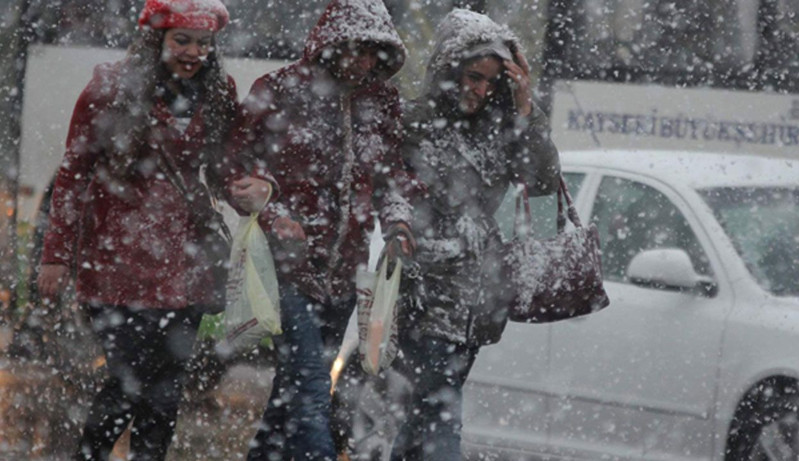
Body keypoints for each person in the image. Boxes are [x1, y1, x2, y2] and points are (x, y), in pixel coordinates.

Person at [37, 1, 274, 459]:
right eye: (181, 40)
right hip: (113, 262)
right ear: (155, 40)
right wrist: (55, 255)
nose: (193, 52)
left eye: (204, 43)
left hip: (184, 266)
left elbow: (222, 166)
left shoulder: (218, 90)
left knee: (164, 392)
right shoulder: (110, 88)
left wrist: (249, 191)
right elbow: (73, 173)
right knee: (129, 381)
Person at [232, 0, 419, 459]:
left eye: (375, 53)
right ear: (330, 44)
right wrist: (274, 213)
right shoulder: (277, 91)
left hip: (344, 277)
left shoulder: (382, 103)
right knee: (314, 388)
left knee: (289, 395)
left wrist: (397, 225)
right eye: (357, 49)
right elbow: (235, 169)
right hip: (285, 269)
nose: (365, 62)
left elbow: (392, 178)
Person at [390, 9, 562, 460]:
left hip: (479, 301)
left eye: (491, 81)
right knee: (442, 409)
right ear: (449, 68)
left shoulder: (503, 130)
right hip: (426, 294)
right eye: (471, 75)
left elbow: (543, 194)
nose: (479, 89)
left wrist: (526, 108)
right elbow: (394, 195)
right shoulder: (416, 123)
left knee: (426, 412)